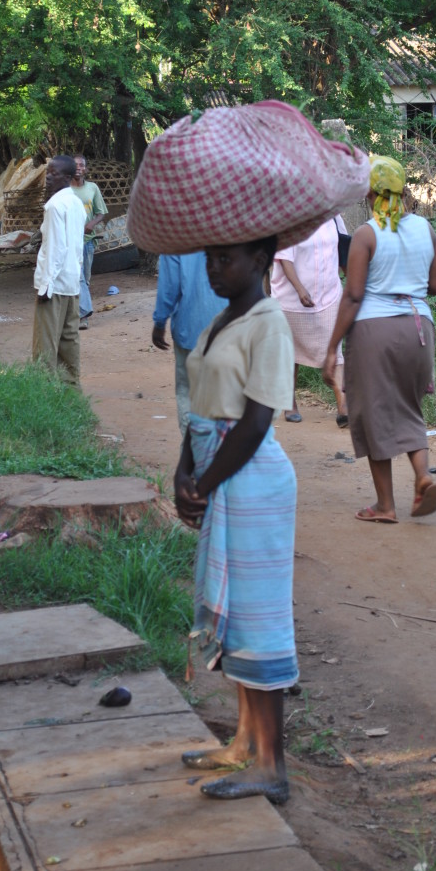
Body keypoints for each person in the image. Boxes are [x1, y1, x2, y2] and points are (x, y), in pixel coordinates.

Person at [174, 237, 298, 805]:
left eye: (227, 259)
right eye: (210, 260)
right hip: (221, 473)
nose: (215, 269)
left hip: (251, 480)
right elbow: (200, 403)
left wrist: (206, 480)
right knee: (239, 616)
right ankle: (246, 742)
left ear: (261, 261)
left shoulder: (268, 322)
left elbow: (255, 420)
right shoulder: (223, 317)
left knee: (259, 619)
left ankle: (270, 765)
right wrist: (185, 471)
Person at [322, 156, 436, 523]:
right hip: (418, 328)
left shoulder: (367, 234)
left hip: (375, 331)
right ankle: (423, 475)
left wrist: (331, 348)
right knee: (409, 407)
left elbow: (354, 294)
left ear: (371, 192)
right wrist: (404, 285)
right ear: (404, 189)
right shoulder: (425, 229)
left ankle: (386, 506)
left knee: (371, 411)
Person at [270, 215, 349, 426]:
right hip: (290, 298)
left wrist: (352, 285)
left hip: (328, 293)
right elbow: (284, 257)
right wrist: (299, 289)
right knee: (290, 352)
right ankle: (289, 402)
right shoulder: (291, 216)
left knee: (335, 348)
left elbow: (343, 250)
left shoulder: (334, 217)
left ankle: (343, 404)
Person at [151, 252, 226, 436]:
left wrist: (160, 322)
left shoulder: (175, 238)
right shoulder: (232, 229)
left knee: (188, 393)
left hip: (191, 328)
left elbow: (170, 287)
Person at [32, 156, 86, 386]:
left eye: (53, 174)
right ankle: (71, 395)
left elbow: (56, 248)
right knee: (69, 342)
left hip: (54, 286)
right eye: (47, 173)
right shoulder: (76, 204)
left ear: (66, 178)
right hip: (72, 283)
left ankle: (43, 397)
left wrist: (46, 285)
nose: (47, 178)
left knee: (45, 347)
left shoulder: (55, 206)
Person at [70, 155, 108, 330]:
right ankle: (83, 315)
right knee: (78, 278)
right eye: (75, 165)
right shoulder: (65, 189)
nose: (78, 167)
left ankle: (81, 310)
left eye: (82, 165)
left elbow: (101, 212)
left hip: (87, 241)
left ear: (85, 169)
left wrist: (92, 224)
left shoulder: (92, 188)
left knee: (85, 278)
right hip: (70, 241)